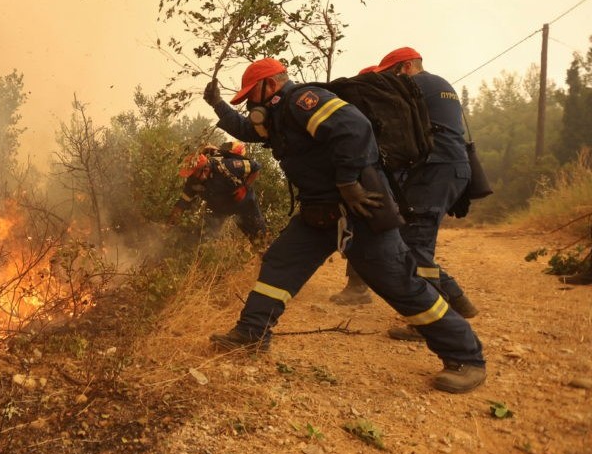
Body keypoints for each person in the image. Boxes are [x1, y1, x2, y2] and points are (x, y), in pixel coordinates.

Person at [202, 57, 486, 394]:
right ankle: (252, 333)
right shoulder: (278, 117)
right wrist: (218, 105)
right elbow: (248, 129)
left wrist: (349, 181)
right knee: (280, 263)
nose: (251, 103)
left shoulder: (303, 100)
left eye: (252, 94)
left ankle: (466, 357)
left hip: (358, 210)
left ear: (272, 84)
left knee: (400, 282)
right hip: (317, 213)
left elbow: (355, 128)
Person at [329, 48, 479, 343]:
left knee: (415, 246)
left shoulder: (415, 85)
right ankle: (457, 299)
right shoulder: (440, 85)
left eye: (391, 74)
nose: (389, 81)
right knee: (413, 243)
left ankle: (432, 324)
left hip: (435, 171)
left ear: (407, 66)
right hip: (449, 169)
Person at [168, 142, 268, 242]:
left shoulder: (229, 166)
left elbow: (255, 167)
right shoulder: (194, 181)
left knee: (259, 238)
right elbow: (182, 203)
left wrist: (245, 187)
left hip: (243, 204)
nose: (191, 177)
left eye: (193, 174)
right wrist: (169, 225)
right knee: (202, 238)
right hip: (219, 208)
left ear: (205, 169)